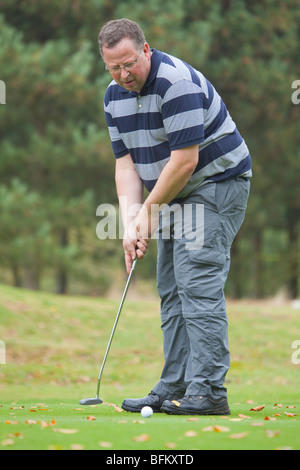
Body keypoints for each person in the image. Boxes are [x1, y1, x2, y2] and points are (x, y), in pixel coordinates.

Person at [98, 18, 251, 415]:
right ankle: (175, 386)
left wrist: (147, 215)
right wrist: (131, 224)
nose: (123, 74)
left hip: (215, 183)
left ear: (146, 50)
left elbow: (185, 162)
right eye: (113, 67)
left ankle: (209, 392)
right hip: (174, 193)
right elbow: (126, 166)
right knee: (170, 286)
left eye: (129, 63)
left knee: (196, 281)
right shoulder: (113, 96)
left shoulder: (175, 83)